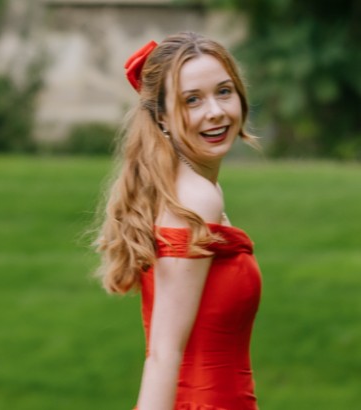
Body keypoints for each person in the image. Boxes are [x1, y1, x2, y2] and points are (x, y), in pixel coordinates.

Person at [93, 32, 262, 409]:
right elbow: (163, 354)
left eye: (223, 91)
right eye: (192, 100)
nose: (215, 111)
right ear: (163, 118)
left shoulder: (181, 188)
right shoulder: (195, 199)